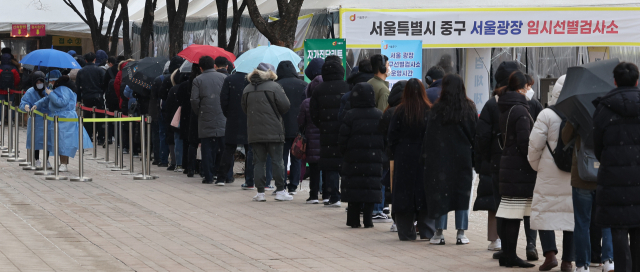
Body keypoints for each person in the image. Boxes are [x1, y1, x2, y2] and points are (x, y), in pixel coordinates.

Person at [492, 61, 542, 261]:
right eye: (528, 87)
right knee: (515, 213)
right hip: (519, 168)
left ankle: (508, 253)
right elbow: (524, 142)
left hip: (508, 164)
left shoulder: (506, 105)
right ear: (523, 88)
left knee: (510, 212)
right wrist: (534, 157)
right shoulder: (520, 109)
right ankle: (511, 255)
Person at [593, 62, 640, 272]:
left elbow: (597, 146)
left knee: (618, 232)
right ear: (637, 81)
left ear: (614, 81)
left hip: (613, 181)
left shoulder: (604, 107)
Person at [422, 74, 477, 246]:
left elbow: (429, 137)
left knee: (441, 194)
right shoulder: (469, 107)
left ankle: (439, 233)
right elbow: (475, 135)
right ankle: (461, 233)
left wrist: (426, 158)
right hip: (463, 158)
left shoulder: (437, 109)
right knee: (462, 194)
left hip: (441, 159)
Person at [527, 75, 574, 272]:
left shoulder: (546, 114)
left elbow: (534, 145)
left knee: (544, 211)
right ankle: (567, 261)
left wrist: (537, 166)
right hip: (574, 172)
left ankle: (550, 255)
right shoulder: (579, 114)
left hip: (548, 170)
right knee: (571, 217)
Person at [387, 79, 435, 239]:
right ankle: (427, 230)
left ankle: (406, 232)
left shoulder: (399, 111)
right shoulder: (429, 111)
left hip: (403, 157)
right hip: (425, 157)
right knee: (424, 193)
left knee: (403, 195)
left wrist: (396, 152)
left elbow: (391, 137)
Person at [241, 63, 291, 201]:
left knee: (258, 162)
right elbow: (286, 106)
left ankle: (260, 193)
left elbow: (244, 109)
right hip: (274, 130)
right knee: (277, 161)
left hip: (254, 131)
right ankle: (280, 191)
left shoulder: (247, 89)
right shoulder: (275, 87)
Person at [339, 82, 383, 228]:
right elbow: (384, 139)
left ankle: (353, 220)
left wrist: (345, 153)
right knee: (370, 188)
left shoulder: (350, 115)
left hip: (353, 159)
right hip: (373, 159)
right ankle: (368, 220)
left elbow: (342, 139)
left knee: (354, 189)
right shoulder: (378, 115)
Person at [33, 72, 93, 172]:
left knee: (64, 143)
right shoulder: (58, 89)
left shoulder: (64, 89)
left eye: (51, 80)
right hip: (60, 119)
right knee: (60, 142)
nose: (50, 82)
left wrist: (50, 93)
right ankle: (62, 163)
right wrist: (37, 104)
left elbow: (61, 102)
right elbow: (47, 99)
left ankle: (64, 164)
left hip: (65, 120)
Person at [310, 60, 349, 207]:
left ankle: (334, 196)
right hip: (344, 130)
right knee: (345, 164)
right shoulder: (347, 87)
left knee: (331, 165)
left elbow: (313, 113)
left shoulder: (318, 90)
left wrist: (322, 124)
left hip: (326, 132)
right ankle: (346, 194)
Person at [191, 56, 227, 185]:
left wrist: (200, 112)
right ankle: (224, 175)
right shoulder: (224, 78)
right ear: (214, 66)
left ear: (201, 68)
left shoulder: (198, 80)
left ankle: (209, 176)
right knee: (223, 148)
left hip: (205, 117)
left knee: (207, 149)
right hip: (223, 117)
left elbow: (194, 100)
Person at [219, 63, 254, 188]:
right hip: (249, 118)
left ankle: (222, 177)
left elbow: (223, 100)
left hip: (233, 119)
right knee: (250, 150)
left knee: (228, 149)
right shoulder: (252, 81)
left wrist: (228, 114)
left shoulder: (229, 79)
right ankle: (249, 179)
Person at [276, 60, 307, 194]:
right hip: (299, 127)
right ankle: (294, 185)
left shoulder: (277, 85)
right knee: (297, 156)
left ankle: (281, 184)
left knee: (281, 158)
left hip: (281, 127)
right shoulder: (304, 85)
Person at [298, 75, 324, 203]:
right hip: (326, 140)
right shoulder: (327, 100)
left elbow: (300, 122)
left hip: (311, 140)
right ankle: (327, 193)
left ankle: (313, 195)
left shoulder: (306, 102)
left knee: (314, 169)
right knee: (327, 169)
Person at [19, 71, 49, 167]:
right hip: (35, 120)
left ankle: (47, 159)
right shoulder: (30, 91)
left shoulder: (47, 90)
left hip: (47, 119)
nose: (39, 84)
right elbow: (23, 102)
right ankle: (36, 159)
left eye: (41, 82)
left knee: (48, 140)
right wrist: (26, 106)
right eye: (37, 82)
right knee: (35, 140)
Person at [76, 52, 106, 144]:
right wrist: (101, 92)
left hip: (86, 97)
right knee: (100, 118)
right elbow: (104, 84)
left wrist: (79, 99)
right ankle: (101, 138)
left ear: (85, 60)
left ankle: (88, 137)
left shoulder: (81, 71)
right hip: (98, 96)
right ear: (95, 60)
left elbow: (78, 87)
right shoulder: (100, 70)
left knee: (88, 118)